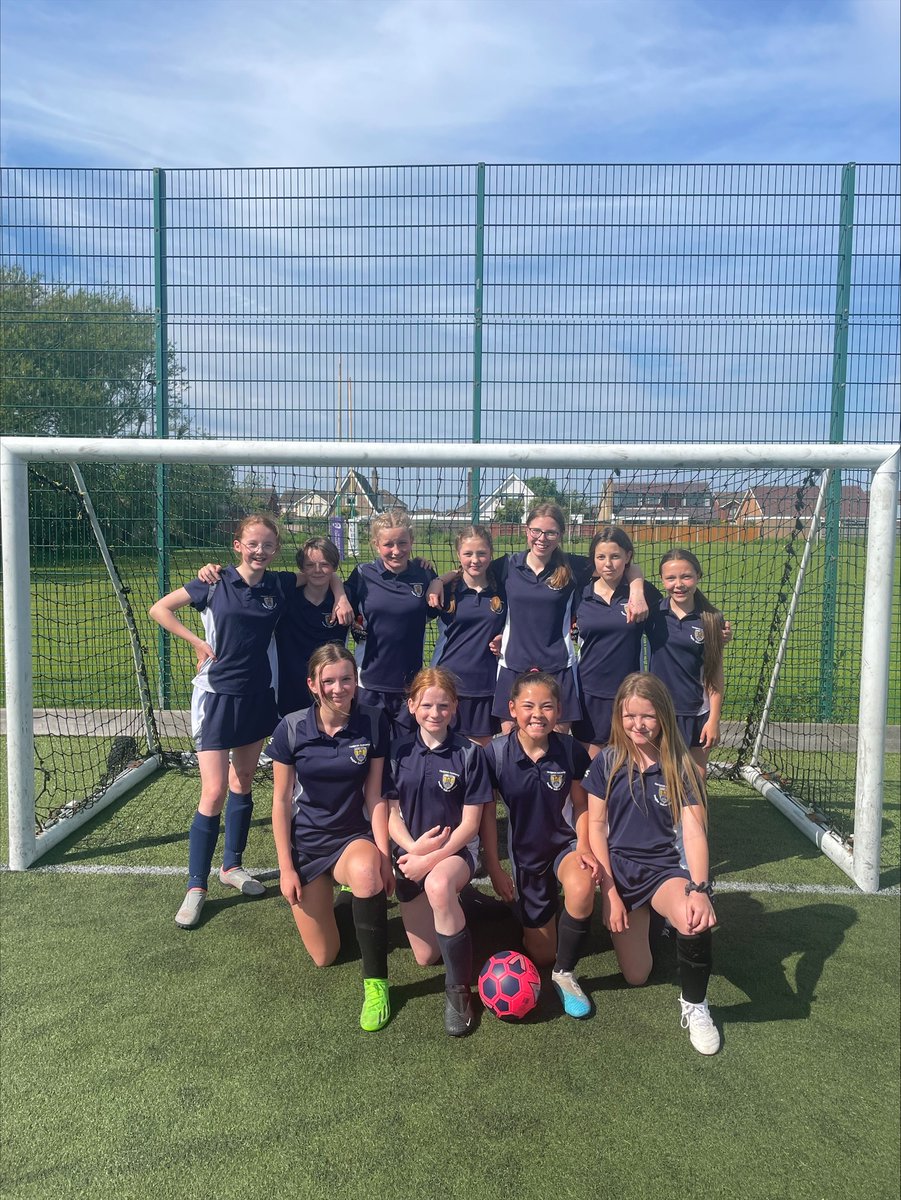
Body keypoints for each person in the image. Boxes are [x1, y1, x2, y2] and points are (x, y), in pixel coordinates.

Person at [149, 514, 295, 929]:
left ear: (275, 549)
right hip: (216, 698)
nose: (260, 551)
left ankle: (232, 866)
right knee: (212, 791)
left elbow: (321, 576)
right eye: (253, 543)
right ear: (237, 545)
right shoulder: (213, 582)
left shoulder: (278, 586)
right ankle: (196, 886)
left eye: (268, 545)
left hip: (258, 697)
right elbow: (159, 608)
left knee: (243, 780)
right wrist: (197, 642)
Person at [585, 672, 721, 1055]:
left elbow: (694, 833)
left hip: (663, 872)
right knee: (636, 975)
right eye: (629, 716)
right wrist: (609, 891)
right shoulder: (607, 762)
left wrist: (699, 889)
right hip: (622, 874)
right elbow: (596, 827)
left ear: (663, 717)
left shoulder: (681, 767)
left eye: (646, 716)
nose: (637, 725)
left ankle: (695, 1007)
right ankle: (650, 920)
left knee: (693, 921)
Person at [429, 503, 648, 734]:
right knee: (511, 747)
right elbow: (470, 568)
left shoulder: (571, 567)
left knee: (557, 748)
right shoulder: (507, 566)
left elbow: (622, 565)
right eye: (536, 531)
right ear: (527, 531)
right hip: (513, 665)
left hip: (558, 667)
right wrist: (439, 580)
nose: (542, 538)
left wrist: (636, 590)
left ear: (561, 535)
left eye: (551, 532)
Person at [267, 644, 393, 1032]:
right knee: (325, 956)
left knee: (368, 873)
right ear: (313, 685)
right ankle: (347, 902)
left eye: (346, 679)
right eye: (329, 681)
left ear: (355, 681)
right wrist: (285, 869)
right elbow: (281, 802)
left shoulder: (373, 721)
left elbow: (376, 797)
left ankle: (377, 985)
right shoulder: (290, 727)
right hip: (306, 846)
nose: (338, 688)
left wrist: (384, 857)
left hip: (351, 838)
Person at [481, 672, 599, 1018]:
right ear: (512, 709)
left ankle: (564, 975)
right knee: (541, 953)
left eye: (547, 706)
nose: (538, 714)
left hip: (563, 846)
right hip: (526, 858)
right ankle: (511, 910)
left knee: (580, 886)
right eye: (528, 706)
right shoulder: (496, 754)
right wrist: (493, 866)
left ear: (559, 710)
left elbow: (581, 805)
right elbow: (488, 816)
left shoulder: (570, 751)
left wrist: (586, 848)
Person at [383, 667, 494, 1036]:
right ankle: (469, 910)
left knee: (438, 887)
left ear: (455, 708)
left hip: (456, 854)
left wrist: (430, 859)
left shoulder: (469, 753)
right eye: (427, 704)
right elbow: (391, 811)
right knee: (424, 956)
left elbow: (470, 826)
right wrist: (414, 850)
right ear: (412, 705)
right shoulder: (397, 750)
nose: (435, 713)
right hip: (410, 856)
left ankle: (458, 990)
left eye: (443, 705)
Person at [345, 509, 437, 739]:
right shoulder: (363, 574)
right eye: (388, 545)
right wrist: (339, 597)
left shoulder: (424, 575)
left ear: (412, 542)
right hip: (369, 682)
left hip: (411, 684)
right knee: (369, 752)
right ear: (376, 544)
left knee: (405, 755)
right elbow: (336, 596)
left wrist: (439, 580)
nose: (396, 551)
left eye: (402, 543)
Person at [571, 527, 663, 757]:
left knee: (629, 763)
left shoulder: (643, 595)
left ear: (628, 557)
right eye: (601, 557)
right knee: (591, 768)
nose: (608, 564)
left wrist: (711, 626)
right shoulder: (580, 593)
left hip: (629, 693)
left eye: (615, 556)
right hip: (588, 691)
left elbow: (674, 617)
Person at [645, 549, 725, 775]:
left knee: (695, 782)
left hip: (696, 711)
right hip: (658, 709)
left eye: (686, 576)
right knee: (658, 778)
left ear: (698, 575)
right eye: (671, 578)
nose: (678, 584)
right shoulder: (652, 615)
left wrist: (714, 720)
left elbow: (715, 674)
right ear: (662, 580)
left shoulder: (711, 620)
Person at [430, 525, 507, 745]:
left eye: (481, 553)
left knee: (478, 756)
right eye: (468, 554)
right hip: (448, 683)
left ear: (491, 554)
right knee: (445, 752)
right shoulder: (445, 590)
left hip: (485, 684)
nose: (475, 560)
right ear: (458, 555)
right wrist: (437, 581)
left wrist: (504, 637)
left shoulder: (502, 589)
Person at [274, 536, 348, 716]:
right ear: (301, 568)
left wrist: (341, 596)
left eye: (324, 564)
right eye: (310, 565)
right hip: (290, 689)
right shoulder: (285, 595)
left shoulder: (346, 600)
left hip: (331, 691)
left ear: (334, 567)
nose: (317, 570)